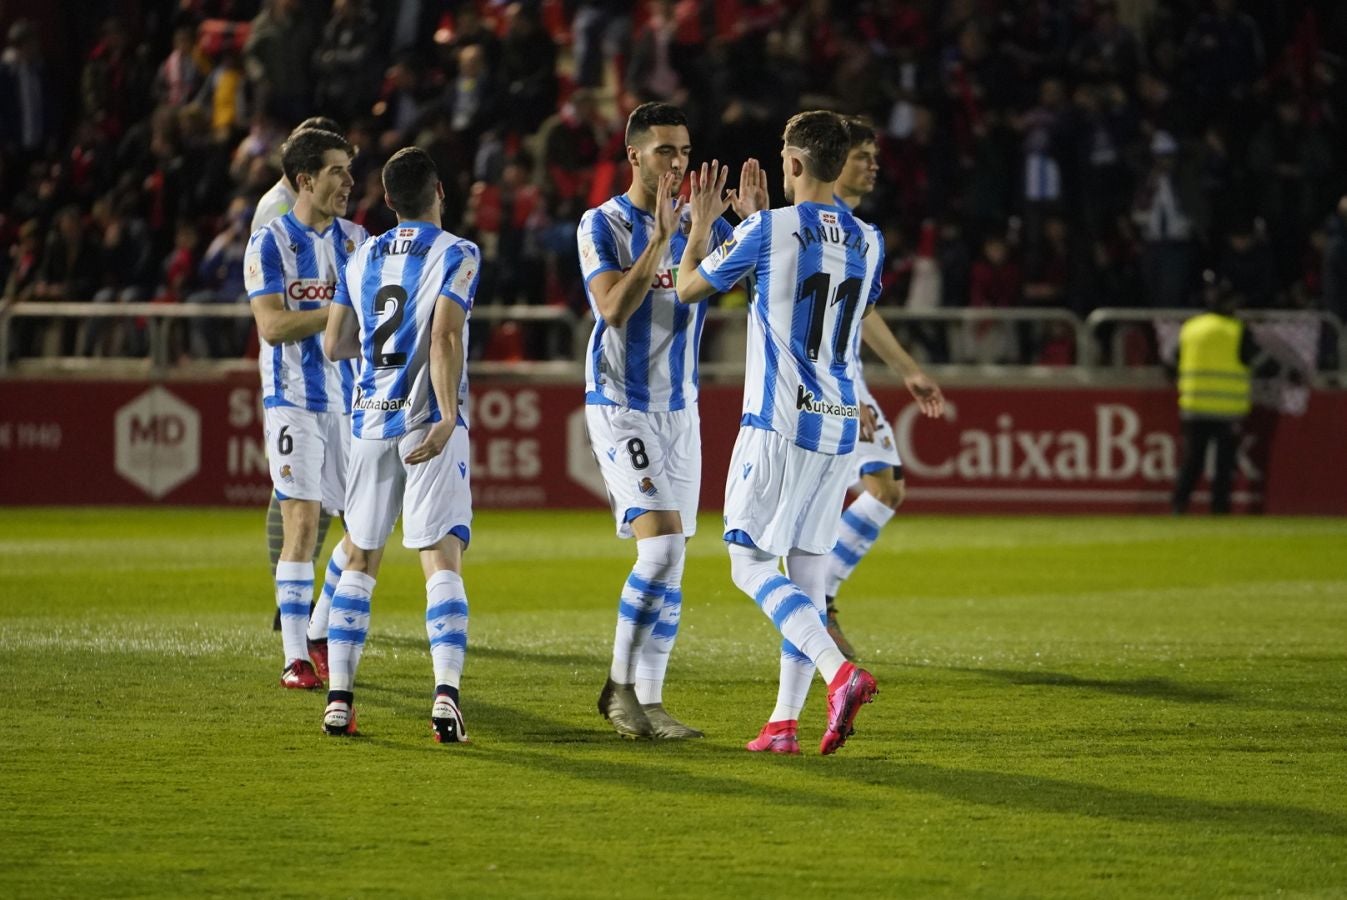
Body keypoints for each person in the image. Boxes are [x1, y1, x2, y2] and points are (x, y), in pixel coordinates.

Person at [676, 110, 897, 755]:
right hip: (838, 429)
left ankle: (840, 674)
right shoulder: (871, 239)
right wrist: (753, 227)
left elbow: (691, 287)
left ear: (794, 164)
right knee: (806, 576)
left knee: (747, 562)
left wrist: (698, 229)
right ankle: (782, 722)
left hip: (776, 422)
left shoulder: (771, 229)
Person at [576, 101, 767, 740]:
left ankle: (650, 701)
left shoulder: (698, 221)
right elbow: (610, 310)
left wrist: (752, 225)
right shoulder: (600, 225)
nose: (678, 163)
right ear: (633, 156)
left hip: (680, 411)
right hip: (620, 404)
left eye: (684, 151)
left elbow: (758, 282)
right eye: (665, 152)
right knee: (657, 547)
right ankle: (618, 687)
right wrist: (660, 238)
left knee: (675, 560)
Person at [321, 147, 480, 740]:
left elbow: (337, 343)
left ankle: (339, 701)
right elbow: (443, 335)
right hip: (425, 424)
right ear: (440, 190)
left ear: (387, 201)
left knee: (359, 559)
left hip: (368, 422)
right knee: (439, 558)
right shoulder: (458, 252)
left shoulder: (359, 257)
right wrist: (443, 416)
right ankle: (445, 698)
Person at [244, 127, 366, 689]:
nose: (349, 181)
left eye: (349, 169)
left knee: (364, 530)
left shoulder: (359, 241)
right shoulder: (269, 242)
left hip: (353, 404)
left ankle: (317, 627)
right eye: (338, 170)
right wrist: (341, 308)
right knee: (302, 518)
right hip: (293, 400)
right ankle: (296, 657)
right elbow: (271, 326)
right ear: (305, 180)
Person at [823, 117, 945, 660]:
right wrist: (848, 393)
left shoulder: (861, 233)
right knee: (868, 490)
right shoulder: (815, 227)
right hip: (819, 382)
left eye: (874, 157)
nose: (874, 166)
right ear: (834, 162)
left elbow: (860, 311)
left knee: (886, 487)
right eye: (862, 157)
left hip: (844, 377)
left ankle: (816, 597)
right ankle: (812, 602)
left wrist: (906, 369)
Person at [251, 116, 344, 634]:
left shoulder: (318, 212)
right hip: (296, 367)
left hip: (328, 369)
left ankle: (298, 598)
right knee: (298, 495)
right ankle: (290, 601)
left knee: (309, 495)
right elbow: (273, 296)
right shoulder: (276, 212)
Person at [1171, 275, 1258, 515]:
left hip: (1193, 406)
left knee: (1191, 462)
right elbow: (1256, 361)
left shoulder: (1191, 327)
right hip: (1226, 409)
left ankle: (1179, 506)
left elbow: (1172, 363)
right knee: (1224, 465)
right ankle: (1219, 509)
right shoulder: (1237, 330)